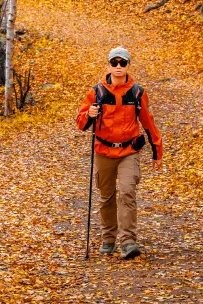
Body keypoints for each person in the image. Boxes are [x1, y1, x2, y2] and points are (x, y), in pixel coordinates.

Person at [76, 46, 163, 259]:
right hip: (103, 151)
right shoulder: (96, 92)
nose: (118, 66)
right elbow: (80, 123)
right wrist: (90, 113)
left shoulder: (137, 93)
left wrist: (157, 151)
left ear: (127, 66)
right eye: (114, 62)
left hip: (128, 151)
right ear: (108, 65)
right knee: (106, 197)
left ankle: (128, 242)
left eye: (122, 63)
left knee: (127, 192)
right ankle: (109, 239)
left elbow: (148, 123)